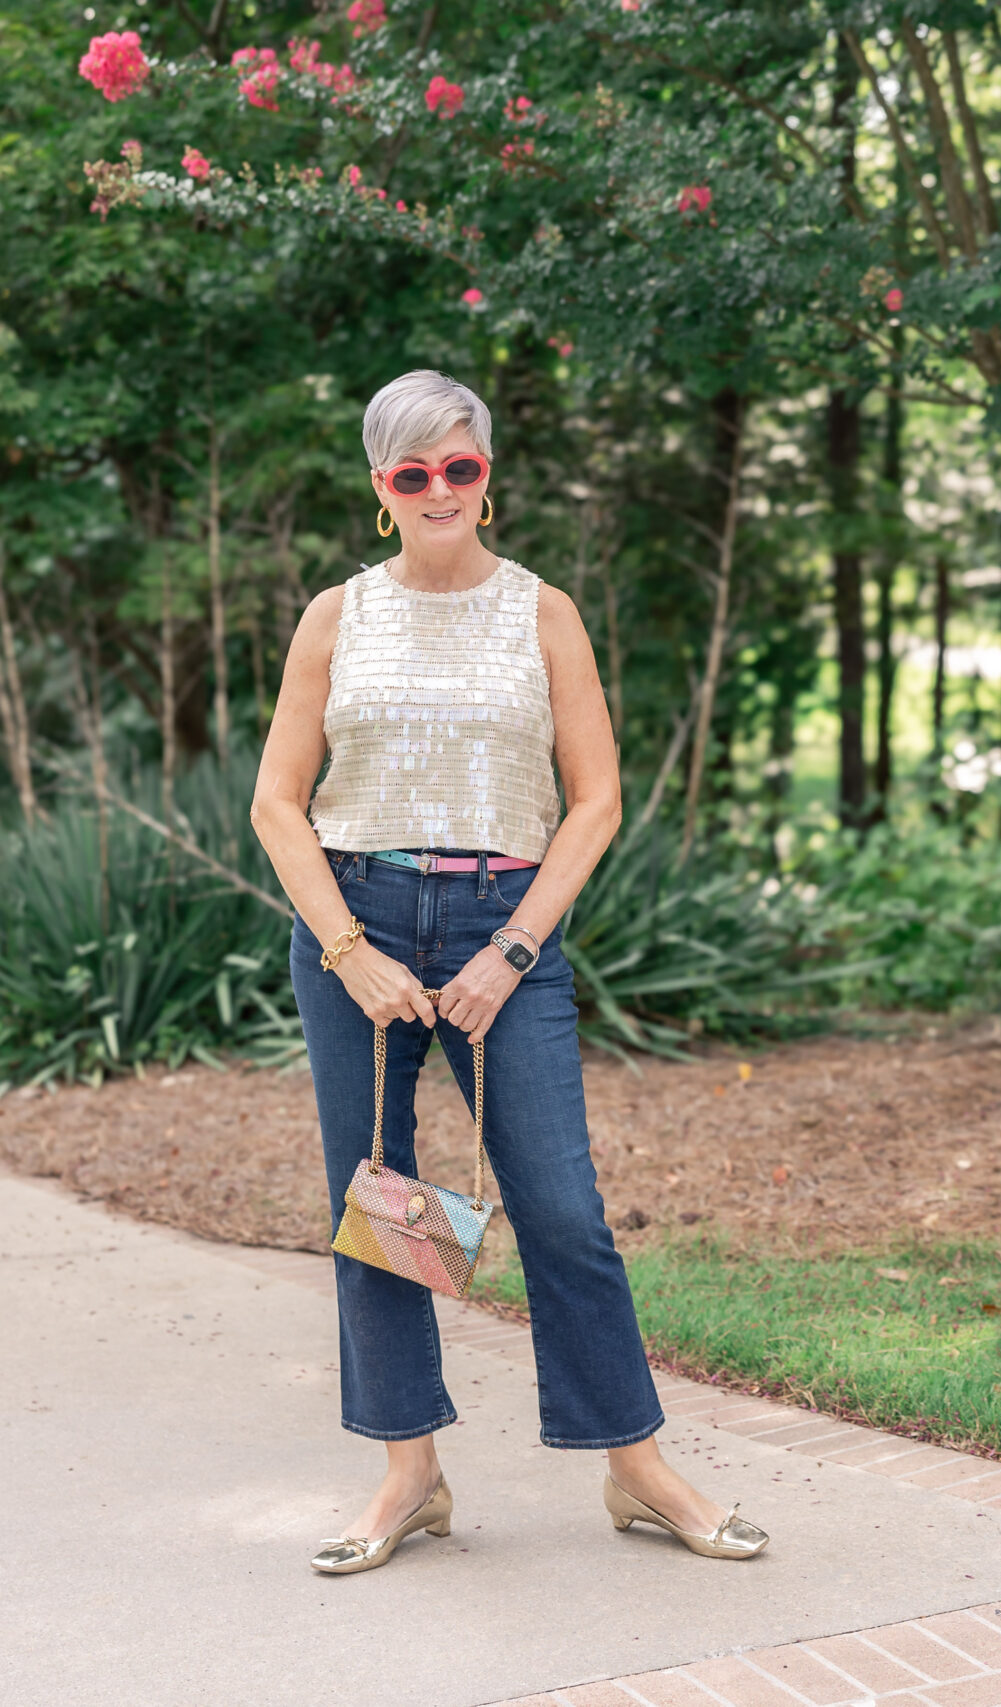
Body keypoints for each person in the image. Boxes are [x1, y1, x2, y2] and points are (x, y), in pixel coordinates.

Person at [249, 369, 769, 1576]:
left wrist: (513, 949)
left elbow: (594, 803)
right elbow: (278, 805)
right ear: (381, 490)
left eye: (460, 466)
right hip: (355, 924)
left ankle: (634, 1467)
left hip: (506, 927)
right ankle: (407, 1474)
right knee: (379, 1208)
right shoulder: (337, 617)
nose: (440, 489)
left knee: (561, 1211)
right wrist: (348, 951)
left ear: (489, 476)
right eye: (411, 472)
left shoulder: (544, 613)